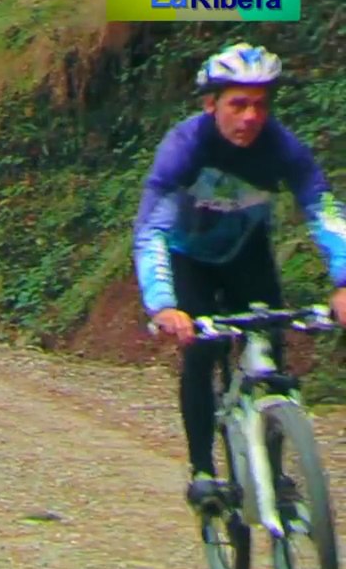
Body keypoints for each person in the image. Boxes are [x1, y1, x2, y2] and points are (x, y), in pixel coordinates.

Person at [131, 42, 346, 513]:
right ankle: (203, 472)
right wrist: (163, 304)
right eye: (238, 104)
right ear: (212, 104)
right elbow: (152, 229)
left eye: (260, 105)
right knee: (201, 353)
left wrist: (345, 279)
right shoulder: (185, 147)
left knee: (270, 354)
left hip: (248, 256)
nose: (250, 117)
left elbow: (324, 210)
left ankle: (276, 468)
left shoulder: (282, 147)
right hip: (190, 259)